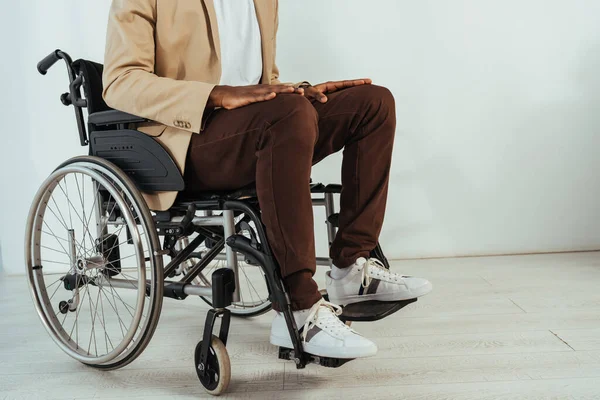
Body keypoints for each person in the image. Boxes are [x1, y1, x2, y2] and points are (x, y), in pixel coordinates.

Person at [103, 0, 432, 359]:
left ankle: (351, 269)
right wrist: (215, 95)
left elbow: (263, 83)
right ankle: (298, 306)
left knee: (373, 104)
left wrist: (299, 93)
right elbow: (121, 82)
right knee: (287, 115)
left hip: (260, 125)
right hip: (185, 140)